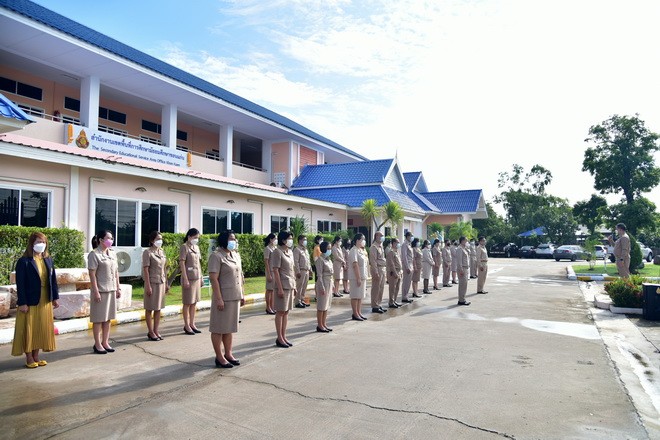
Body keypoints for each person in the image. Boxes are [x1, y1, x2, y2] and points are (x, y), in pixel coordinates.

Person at [12, 232, 59, 368]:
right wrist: (22, 302)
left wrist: (55, 297)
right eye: (38, 242)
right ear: (32, 243)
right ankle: (29, 357)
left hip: (45, 299)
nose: (41, 244)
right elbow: (20, 284)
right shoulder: (24, 261)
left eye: (43, 242)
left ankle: (36, 356)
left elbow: (53, 280)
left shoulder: (47, 260)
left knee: (41, 328)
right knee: (30, 328)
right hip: (30, 300)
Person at [208, 230, 245, 368]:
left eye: (234, 239)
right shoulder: (216, 256)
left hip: (234, 295)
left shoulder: (235, 255)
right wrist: (219, 298)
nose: (233, 241)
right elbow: (214, 278)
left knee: (229, 327)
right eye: (231, 239)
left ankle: (228, 353)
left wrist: (242, 294)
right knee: (218, 328)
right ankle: (219, 356)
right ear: (224, 240)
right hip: (223, 297)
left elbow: (240, 276)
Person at [88, 230, 121, 354]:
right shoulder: (94, 254)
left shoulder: (112, 253)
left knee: (108, 318)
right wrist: (96, 291)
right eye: (108, 238)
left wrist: (118, 287)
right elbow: (92, 274)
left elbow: (116, 272)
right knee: (98, 319)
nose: (110, 240)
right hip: (100, 290)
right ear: (101, 240)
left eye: (112, 238)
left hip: (111, 289)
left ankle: (105, 342)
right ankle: (97, 344)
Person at [142, 231, 168, 341]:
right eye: (157, 239)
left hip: (161, 282)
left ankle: (156, 330)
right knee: (149, 308)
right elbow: (146, 270)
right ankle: (150, 331)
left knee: (158, 308)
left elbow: (164, 269)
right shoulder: (147, 252)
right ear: (152, 240)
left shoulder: (161, 251)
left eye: (161, 239)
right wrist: (148, 285)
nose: (160, 241)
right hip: (152, 282)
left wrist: (166, 283)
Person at [272, 231, 296, 347]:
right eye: (289, 238)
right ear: (283, 240)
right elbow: (276, 270)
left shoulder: (290, 252)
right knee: (280, 312)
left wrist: (294, 286)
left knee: (286, 312)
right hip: (282, 285)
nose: (291, 241)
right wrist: (280, 288)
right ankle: (279, 337)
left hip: (290, 284)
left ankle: (283, 335)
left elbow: (292, 269)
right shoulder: (277, 252)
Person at [179, 228, 203, 335]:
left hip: (196, 278)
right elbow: (182, 263)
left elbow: (199, 264)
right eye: (195, 237)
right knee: (187, 303)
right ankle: (186, 325)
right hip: (188, 278)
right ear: (189, 237)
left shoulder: (196, 247)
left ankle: (192, 324)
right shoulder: (184, 247)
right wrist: (185, 279)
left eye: (197, 238)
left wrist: (201, 277)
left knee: (194, 302)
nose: (196, 239)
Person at [347, 233, 369, 321]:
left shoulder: (361, 250)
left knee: (360, 296)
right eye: (362, 239)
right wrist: (358, 278)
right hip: (355, 277)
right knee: (355, 296)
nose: (364, 241)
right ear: (357, 240)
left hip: (363, 276)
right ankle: (355, 313)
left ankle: (359, 312)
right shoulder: (353, 250)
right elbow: (355, 264)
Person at [315, 241, 334, 332]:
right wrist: (321, 286)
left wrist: (332, 285)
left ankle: (324, 323)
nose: (330, 250)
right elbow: (319, 275)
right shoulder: (320, 260)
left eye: (330, 248)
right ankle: (320, 325)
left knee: (327, 305)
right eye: (328, 248)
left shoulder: (328, 259)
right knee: (321, 305)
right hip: (323, 283)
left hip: (329, 282)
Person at [369, 231, 387, 313]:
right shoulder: (374, 247)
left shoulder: (380, 246)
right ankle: (374, 305)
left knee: (381, 288)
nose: (383, 237)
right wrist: (375, 272)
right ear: (376, 236)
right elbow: (373, 261)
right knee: (376, 288)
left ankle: (378, 304)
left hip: (382, 268)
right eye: (381, 235)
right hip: (378, 269)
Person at [293, 235, 311, 308]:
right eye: (304, 240)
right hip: (301, 270)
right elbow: (296, 261)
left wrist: (310, 269)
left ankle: (302, 299)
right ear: (300, 240)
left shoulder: (305, 250)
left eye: (306, 240)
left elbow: (308, 260)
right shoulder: (297, 250)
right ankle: (297, 301)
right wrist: (297, 271)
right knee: (299, 287)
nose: (305, 241)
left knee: (304, 286)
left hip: (306, 270)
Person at [263, 233, 277, 315]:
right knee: (269, 290)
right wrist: (268, 274)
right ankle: (268, 307)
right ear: (271, 239)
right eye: (275, 239)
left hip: (275, 271)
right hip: (270, 271)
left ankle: (272, 306)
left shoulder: (274, 248)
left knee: (273, 290)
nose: (276, 240)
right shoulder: (267, 248)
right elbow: (266, 261)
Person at [386, 238, 403, 308]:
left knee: (397, 288)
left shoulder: (397, 252)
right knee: (392, 288)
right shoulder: (391, 252)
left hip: (399, 271)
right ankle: (391, 302)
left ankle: (394, 300)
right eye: (397, 242)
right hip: (393, 272)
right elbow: (391, 264)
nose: (398, 244)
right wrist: (395, 272)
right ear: (393, 243)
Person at [456, 237, 471, 306]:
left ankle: (463, 299)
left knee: (464, 285)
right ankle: (461, 300)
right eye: (466, 240)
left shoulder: (464, 249)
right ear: (462, 241)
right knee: (462, 285)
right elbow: (459, 261)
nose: (467, 242)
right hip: (462, 269)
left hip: (466, 268)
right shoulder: (459, 249)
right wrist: (461, 270)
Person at [400, 232, 414, 303]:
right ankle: (404, 297)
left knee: (408, 282)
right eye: (411, 236)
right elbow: (404, 256)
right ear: (408, 236)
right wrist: (407, 267)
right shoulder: (404, 245)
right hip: (407, 265)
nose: (412, 237)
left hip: (410, 264)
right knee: (406, 281)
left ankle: (406, 295)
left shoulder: (409, 244)